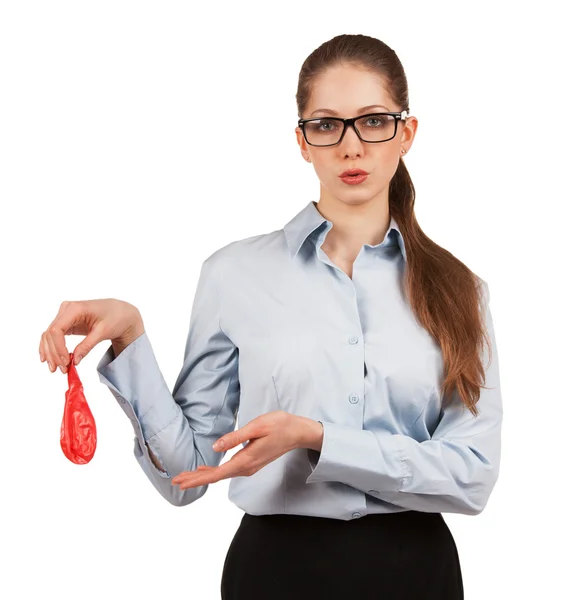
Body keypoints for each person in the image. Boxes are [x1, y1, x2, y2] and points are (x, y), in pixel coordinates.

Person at [39, 33, 502, 600]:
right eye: (327, 125)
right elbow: (185, 475)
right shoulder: (234, 274)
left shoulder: (461, 291)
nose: (351, 147)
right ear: (303, 142)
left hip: (417, 575)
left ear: (406, 132)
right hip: (276, 575)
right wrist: (132, 339)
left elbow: (471, 475)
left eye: (374, 121)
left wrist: (315, 437)